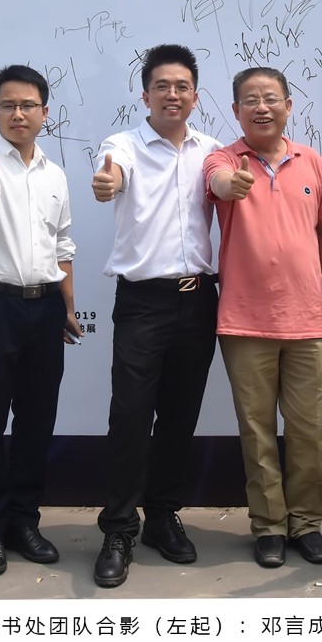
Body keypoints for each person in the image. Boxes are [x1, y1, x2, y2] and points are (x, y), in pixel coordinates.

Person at [88, 44, 221, 588]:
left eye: (182, 86)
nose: (172, 94)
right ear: (145, 96)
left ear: (195, 96)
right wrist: (109, 183)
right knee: (130, 416)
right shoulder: (122, 146)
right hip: (143, 303)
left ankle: (162, 516)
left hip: (199, 299)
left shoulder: (212, 151)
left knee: (179, 416)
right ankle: (119, 528)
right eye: (162, 86)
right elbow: (110, 176)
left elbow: (252, 172)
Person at [203, 66, 322, 569]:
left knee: (310, 430)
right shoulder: (223, 158)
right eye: (250, 100)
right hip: (245, 321)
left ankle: (306, 523)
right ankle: (268, 527)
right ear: (236, 110)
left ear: (287, 105)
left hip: (309, 321)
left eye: (270, 98)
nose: (261, 107)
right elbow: (217, 182)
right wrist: (231, 184)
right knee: (257, 431)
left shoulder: (313, 162)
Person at [0, 64, 83, 577]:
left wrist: (68, 307)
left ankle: (24, 521)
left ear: (44, 112)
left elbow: (63, 244)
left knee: (36, 420)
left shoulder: (55, 174)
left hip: (45, 306)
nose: (18, 113)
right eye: (8, 105)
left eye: (28, 105)